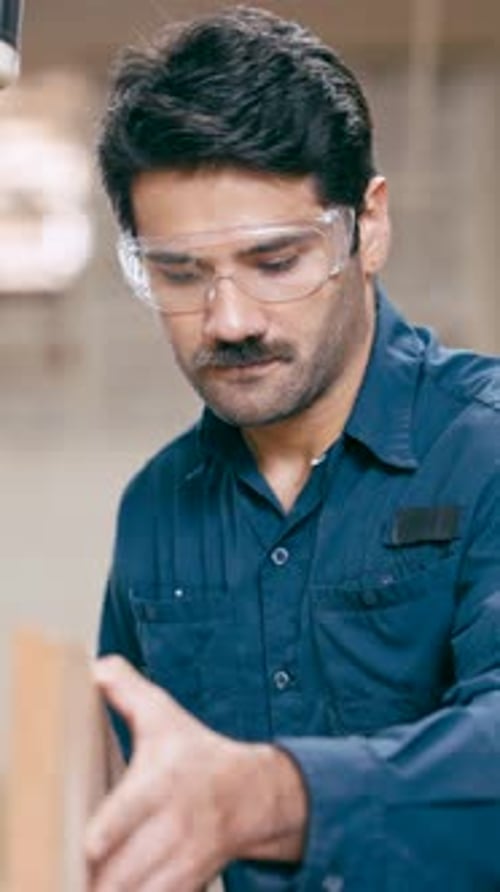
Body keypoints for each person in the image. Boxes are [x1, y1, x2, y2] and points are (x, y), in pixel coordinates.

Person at [85, 6, 500, 891]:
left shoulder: (487, 452)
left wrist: (267, 798)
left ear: (369, 227)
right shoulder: (156, 510)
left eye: (276, 261)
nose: (228, 320)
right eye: (179, 273)